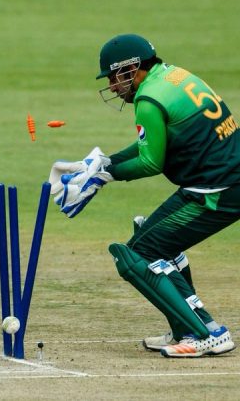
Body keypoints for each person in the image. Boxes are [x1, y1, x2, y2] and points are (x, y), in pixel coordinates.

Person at [49, 33, 240, 358]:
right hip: (221, 180)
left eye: (113, 77)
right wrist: (105, 163)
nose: (112, 87)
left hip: (217, 189)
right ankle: (185, 328)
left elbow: (151, 161)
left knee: (139, 253)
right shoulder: (173, 76)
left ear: (131, 68)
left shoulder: (148, 100)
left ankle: (206, 333)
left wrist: (106, 175)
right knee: (150, 237)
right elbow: (151, 144)